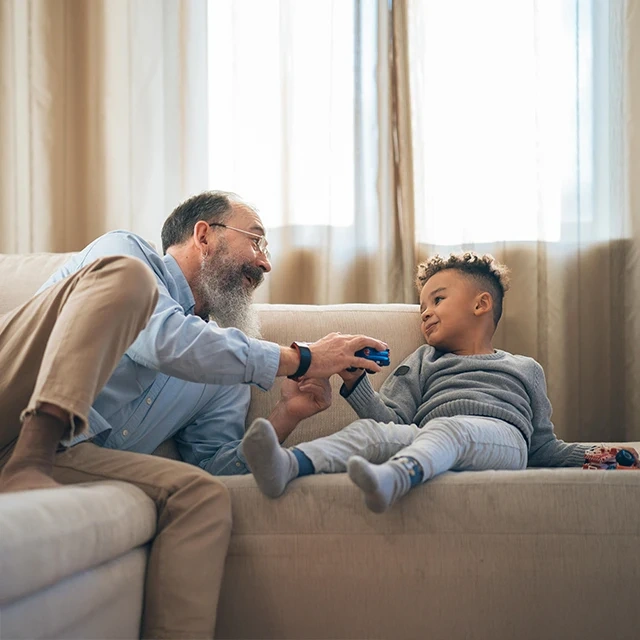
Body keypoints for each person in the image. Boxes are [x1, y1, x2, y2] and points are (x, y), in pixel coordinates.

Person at [0, 190, 387, 638]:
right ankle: (28, 460)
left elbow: (216, 466)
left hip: (69, 456)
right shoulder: (127, 255)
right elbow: (162, 339)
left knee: (202, 497)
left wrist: (285, 415)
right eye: (256, 242)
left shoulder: (225, 365)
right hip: (11, 394)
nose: (265, 264)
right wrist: (301, 359)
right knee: (128, 281)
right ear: (204, 235)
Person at [242, 252, 599, 514]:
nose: (425, 312)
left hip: (502, 442)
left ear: (481, 304)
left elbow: (542, 446)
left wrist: (598, 456)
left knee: (449, 430)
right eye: (422, 305)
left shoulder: (524, 368)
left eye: (438, 299)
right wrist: (356, 382)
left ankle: (395, 478)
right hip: (430, 436)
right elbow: (392, 422)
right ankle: (286, 465)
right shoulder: (422, 361)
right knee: (371, 435)